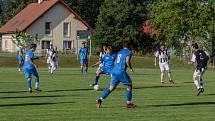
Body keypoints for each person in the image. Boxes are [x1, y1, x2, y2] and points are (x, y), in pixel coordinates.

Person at [96, 42, 137, 108]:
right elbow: (127, 61)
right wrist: (131, 68)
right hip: (121, 71)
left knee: (111, 88)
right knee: (129, 86)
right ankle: (128, 103)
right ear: (129, 46)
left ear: (123, 46)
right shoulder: (129, 52)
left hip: (114, 71)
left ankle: (100, 100)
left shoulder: (119, 52)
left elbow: (115, 62)